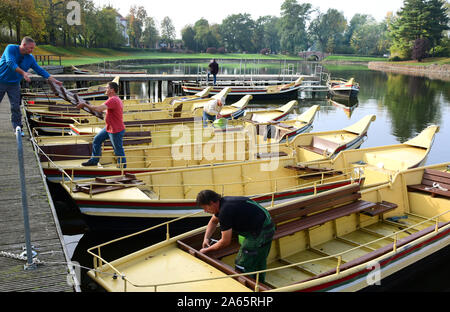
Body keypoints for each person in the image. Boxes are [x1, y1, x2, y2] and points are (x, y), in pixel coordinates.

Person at [196, 190, 275, 282]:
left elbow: (225, 241)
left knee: (242, 264)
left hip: (259, 233)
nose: (205, 211)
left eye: (205, 208)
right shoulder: (224, 202)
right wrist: (206, 238)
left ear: (211, 203)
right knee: (259, 260)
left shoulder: (225, 212)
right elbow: (213, 221)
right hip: (269, 226)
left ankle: (251, 287)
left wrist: (206, 250)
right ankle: (260, 283)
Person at [0, 37, 62, 136]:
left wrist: (53, 80)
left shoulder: (30, 58)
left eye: (33, 48)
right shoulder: (10, 48)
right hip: (1, 81)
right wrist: (23, 73)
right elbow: (10, 62)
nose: (32, 50)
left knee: (15, 107)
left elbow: (39, 70)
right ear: (24, 45)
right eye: (31, 48)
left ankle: (18, 128)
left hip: (14, 84)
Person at [76, 81, 127, 168]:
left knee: (118, 150)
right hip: (109, 127)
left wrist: (85, 105)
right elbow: (104, 110)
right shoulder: (113, 99)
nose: (105, 89)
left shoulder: (113, 99)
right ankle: (94, 161)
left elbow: (99, 109)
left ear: (112, 90)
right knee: (97, 140)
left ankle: (122, 168)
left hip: (115, 129)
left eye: (107, 87)